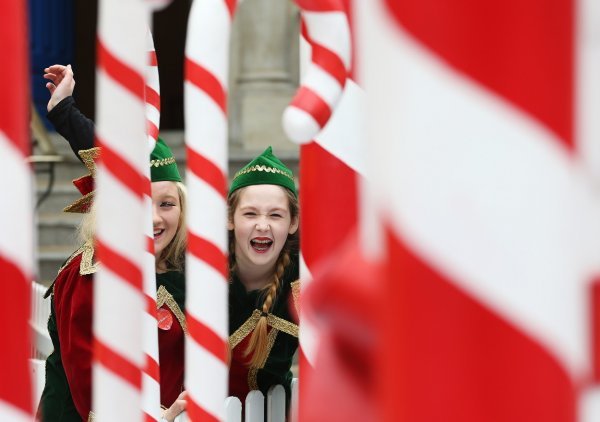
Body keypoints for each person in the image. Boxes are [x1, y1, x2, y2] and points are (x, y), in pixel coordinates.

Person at [37, 65, 187, 422]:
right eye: (137, 201)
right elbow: (87, 379)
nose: (153, 218)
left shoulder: (188, 267)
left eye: (167, 204)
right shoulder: (88, 274)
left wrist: (65, 113)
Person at [227, 147, 300, 401]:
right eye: (250, 213)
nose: (262, 225)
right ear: (230, 218)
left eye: (275, 215)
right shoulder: (199, 273)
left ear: (292, 223)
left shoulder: (303, 283)